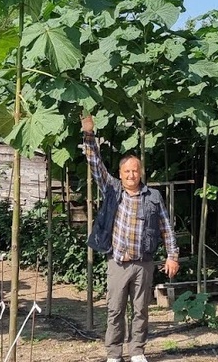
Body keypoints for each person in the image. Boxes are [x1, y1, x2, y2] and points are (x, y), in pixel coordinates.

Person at [81, 114, 179, 362]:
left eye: (135, 171)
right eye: (127, 171)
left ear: (141, 172)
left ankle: (137, 351)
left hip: (143, 262)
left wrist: (172, 256)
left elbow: (166, 227)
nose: (131, 175)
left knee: (141, 310)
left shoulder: (153, 196)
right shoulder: (112, 189)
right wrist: (89, 135)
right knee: (114, 310)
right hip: (118, 262)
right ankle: (114, 354)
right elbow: (95, 165)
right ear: (120, 173)